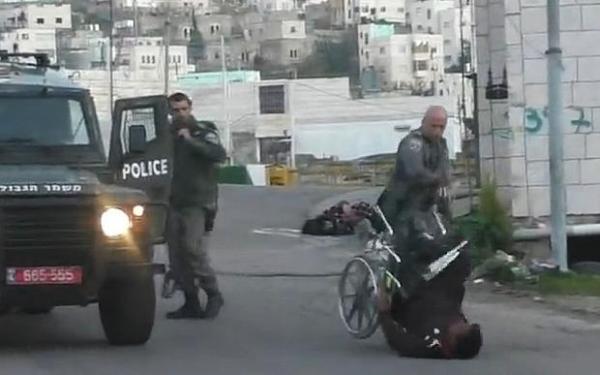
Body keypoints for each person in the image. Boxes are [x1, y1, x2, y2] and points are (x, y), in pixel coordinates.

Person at [165, 92, 227, 320]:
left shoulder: (203, 131)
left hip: (198, 202)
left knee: (193, 249)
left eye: (183, 109)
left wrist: (191, 141)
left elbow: (218, 155)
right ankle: (190, 300)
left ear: (190, 108)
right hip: (173, 201)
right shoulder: (166, 137)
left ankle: (213, 293)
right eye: (175, 110)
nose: (180, 114)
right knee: (176, 255)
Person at [376, 234, 482, 359]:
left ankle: (405, 239)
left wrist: (384, 312)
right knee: (461, 258)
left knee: (403, 253)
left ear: (453, 341)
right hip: (435, 284)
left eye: (461, 327)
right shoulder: (456, 323)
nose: (461, 322)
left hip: (409, 296)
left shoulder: (428, 344)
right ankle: (426, 239)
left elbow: (397, 340)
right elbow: (455, 299)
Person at [378, 105, 452, 256]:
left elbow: (444, 172)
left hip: (425, 206)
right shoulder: (412, 143)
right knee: (403, 250)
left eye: (441, 127)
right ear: (424, 122)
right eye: (433, 126)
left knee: (434, 248)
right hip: (402, 205)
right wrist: (438, 180)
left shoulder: (441, 145)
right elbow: (415, 172)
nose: (437, 131)